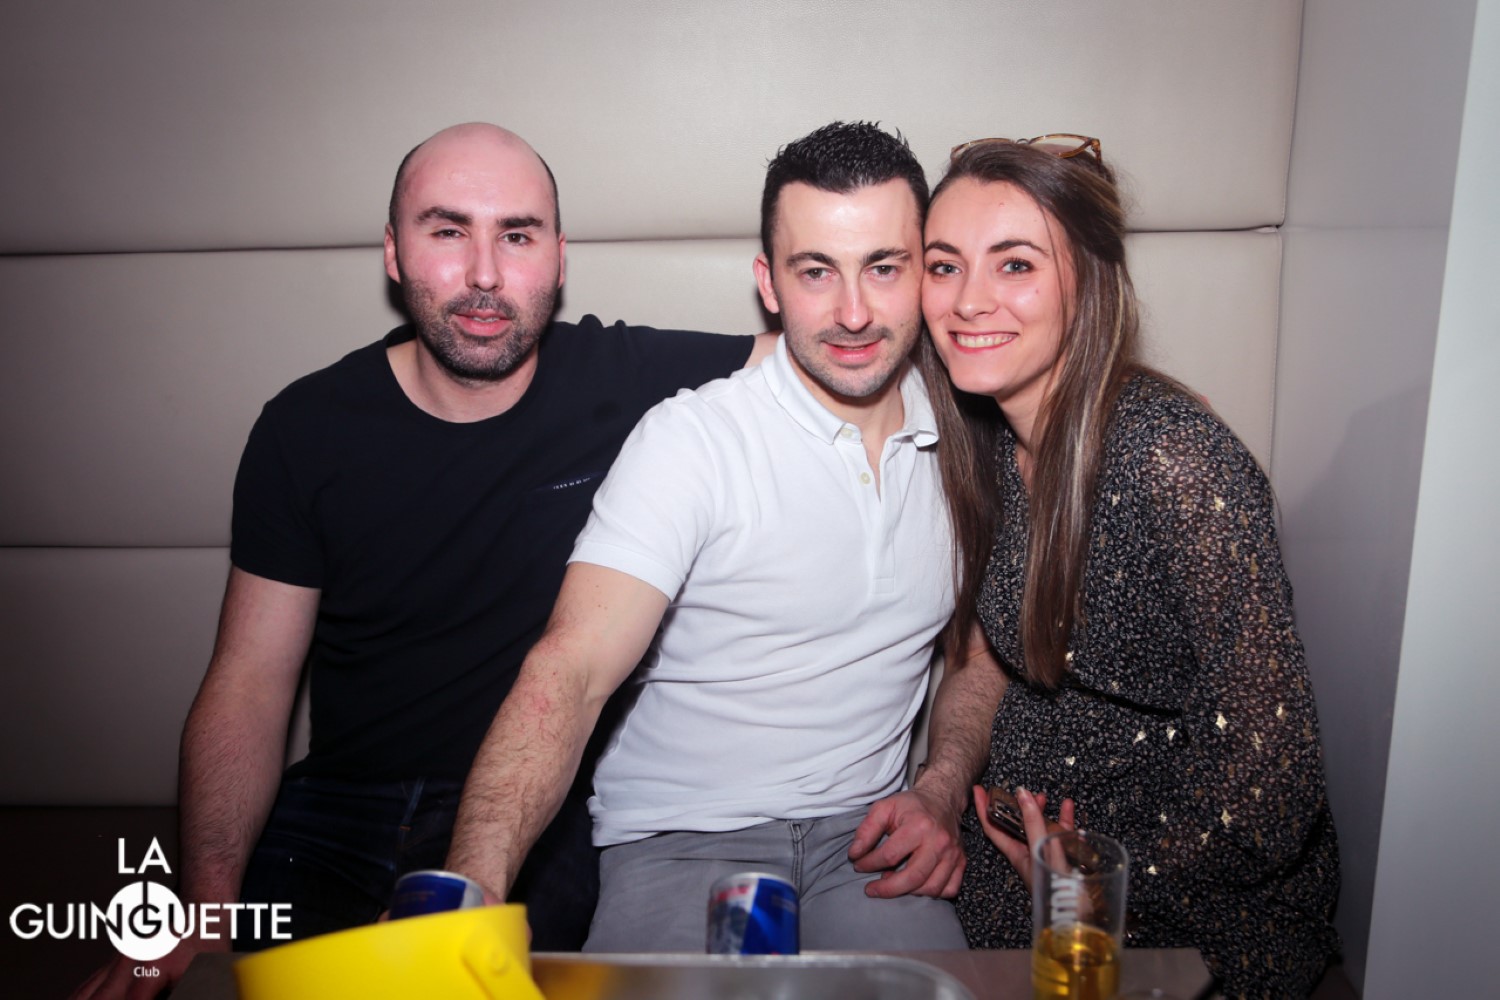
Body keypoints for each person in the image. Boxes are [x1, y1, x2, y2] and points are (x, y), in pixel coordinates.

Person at [72, 122, 772, 999]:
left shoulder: (625, 377)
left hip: (533, 810)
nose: (484, 274)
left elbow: (830, 352)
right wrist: (205, 913)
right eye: (447, 231)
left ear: (559, 259)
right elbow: (249, 683)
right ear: (394, 253)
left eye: (517, 236)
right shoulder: (307, 427)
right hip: (336, 804)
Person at [446, 121, 1006, 951]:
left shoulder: (971, 440)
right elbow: (570, 669)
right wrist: (471, 890)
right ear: (768, 284)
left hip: (870, 843)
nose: (854, 313)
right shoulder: (692, 441)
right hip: (682, 838)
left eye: (884, 268)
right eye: (816, 271)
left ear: (926, 272)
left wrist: (940, 787)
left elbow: (978, 652)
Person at [915, 136, 1341, 998]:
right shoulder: (986, 443)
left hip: (1182, 904)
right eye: (944, 265)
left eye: (1015, 264)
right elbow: (985, 657)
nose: (968, 300)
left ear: (1090, 282)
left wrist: (1098, 883)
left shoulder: (1173, 459)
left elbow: (1277, 778)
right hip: (1011, 868)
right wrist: (941, 785)